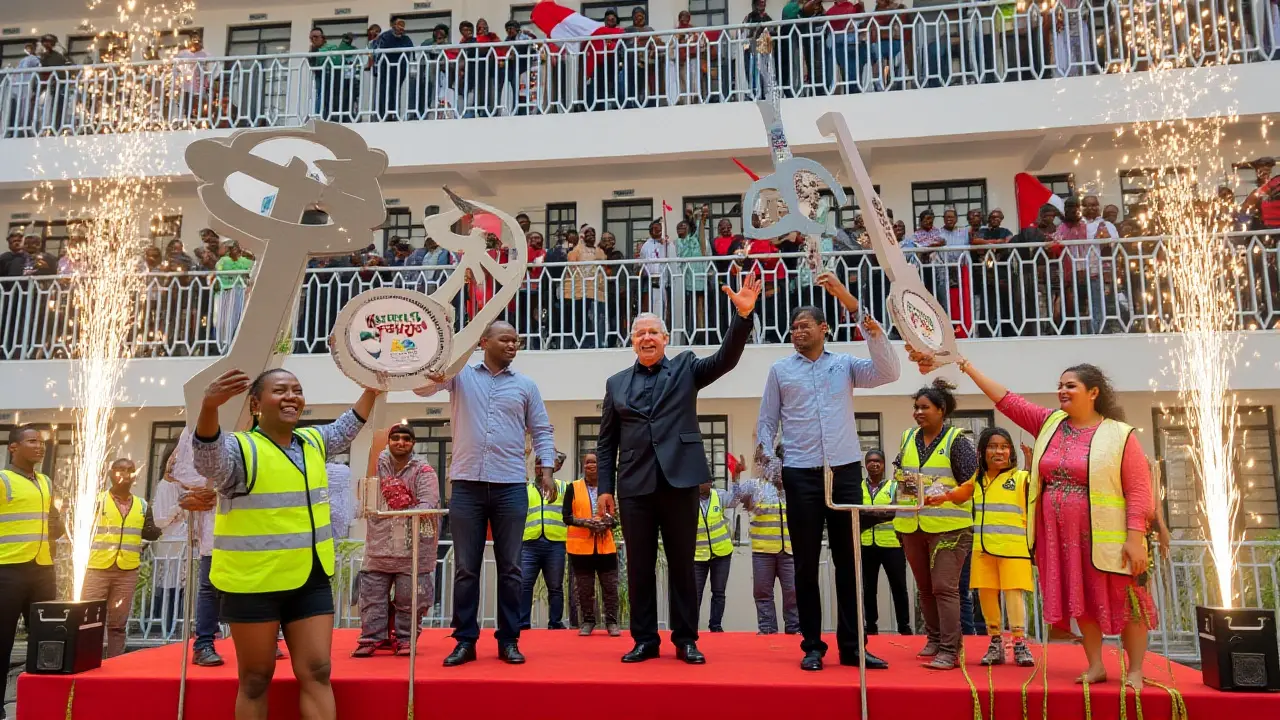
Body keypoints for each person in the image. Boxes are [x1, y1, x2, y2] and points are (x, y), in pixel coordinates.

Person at [912, 349, 1156, 686]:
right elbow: (1007, 401)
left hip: (1109, 538)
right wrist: (965, 366)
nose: (1062, 391)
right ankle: (1096, 664)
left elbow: (1140, 489)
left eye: (1070, 386)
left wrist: (1134, 536)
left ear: (1093, 392)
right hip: (1062, 538)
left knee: (1126, 601)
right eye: (1060, 386)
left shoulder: (1119, 434)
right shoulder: (1051, 423)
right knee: (1081, 600)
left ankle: (1136, 670)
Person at [193, 367, 382, 720]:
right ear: (255, 404)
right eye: (280, 390)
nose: (291, 396)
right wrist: (209, 408)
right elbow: (208, 460)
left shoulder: (312, 442)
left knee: (318, 671)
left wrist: (372, 389)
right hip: (253, 582)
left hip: (309, 578)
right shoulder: (239, 447)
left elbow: (346, 428)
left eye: (297, 390)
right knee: (255, 678)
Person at [596, 274, 761, 664]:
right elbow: (606, 442)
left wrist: (742, 316)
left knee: (683, 565)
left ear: (665, 339)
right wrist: (605, 487)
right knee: (638, 567)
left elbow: (726, 359)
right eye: (640, 333)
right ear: (632, 341)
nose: (647, 338)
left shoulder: (686, 368)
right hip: (634, 485)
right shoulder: (616, 384)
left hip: (680, 480)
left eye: (654, 332)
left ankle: (686, 639)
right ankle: (645, 640)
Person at [756, 272, 899, 672]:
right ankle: (812, 646)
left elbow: (889, 372)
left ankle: (854, 647)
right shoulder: (781, 370)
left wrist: (854, 306)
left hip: (846, 471)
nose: (796, 331)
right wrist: (771, 464)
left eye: (804, 325)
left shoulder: (847, 366)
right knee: (804, 563)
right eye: (793, 327)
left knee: (848, 561)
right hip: (800, 474)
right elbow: (767, 422)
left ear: (824, 328)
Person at [415, 321, 556, 666]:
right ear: (484, 342)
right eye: (506, 339)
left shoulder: (526, 385)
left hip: (511, 487)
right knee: (466, 568)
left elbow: (541, 429)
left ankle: (509, 640)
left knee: (511, 569)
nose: (513, 345)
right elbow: (424, 389)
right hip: (466, 487)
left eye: (517, 340)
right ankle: (465, 640)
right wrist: (442, 357)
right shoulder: (460, 377)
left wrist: (547, 470)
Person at [927, 427, 1035, 667]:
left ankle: (1019, 643)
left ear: (1011, 451)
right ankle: (995, 641)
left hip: (1013, 549)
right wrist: (941, 497)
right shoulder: (977, 479)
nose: (999, 451)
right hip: (983, 549)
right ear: (983, 451)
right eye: (993, 446)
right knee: (986, 594)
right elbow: (961, 492)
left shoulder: (1020, 478)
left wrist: (1032, 464)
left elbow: (1036, 489)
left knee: (1014, 595)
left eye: (1004, 446)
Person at [893, 378, 978, 670]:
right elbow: (900, 473)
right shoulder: (907, 437)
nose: (918, 412)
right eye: (915, 407)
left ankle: (950, 649)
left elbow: (970, 485)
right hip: (911, 524)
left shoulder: (958, 440)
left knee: (944, 587)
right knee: (925, 588)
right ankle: (934, 638)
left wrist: (946, 496)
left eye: (924, 407)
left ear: (941, 410)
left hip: (950, 526)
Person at [352, 424, 441, 657]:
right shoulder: (376, 466)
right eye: (395, 438)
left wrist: (402, 505)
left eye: (406, 439)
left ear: (413, 443)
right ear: (389, 441)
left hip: (413, 547)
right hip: (378, 545)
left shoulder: (424, 471)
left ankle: (405, 639)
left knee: (410, 598)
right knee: (371, 595)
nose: (400, 442)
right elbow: (365, 496)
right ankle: (371, 638)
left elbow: (428, 503)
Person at [1, 427, 63, 714]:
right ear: (13, 447)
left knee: (47, 639)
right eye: (32, 441)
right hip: (8, 571)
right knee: (3, 639)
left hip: (42, 571)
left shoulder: (46, 482)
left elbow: (55, 522)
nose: (40, 446)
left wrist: (57, 524)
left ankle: (43, 702)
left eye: (42, 442)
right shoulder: (3, 481)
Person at [82, 458, 162, 657]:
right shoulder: (96, 501)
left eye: (130, 469)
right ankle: (87, 659)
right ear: (111, 473)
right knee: (89, 618)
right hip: (96, 568)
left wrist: (161, 527)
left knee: (118, 623)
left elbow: (148, 532)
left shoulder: (142, 505)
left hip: (126, 570)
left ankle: (115, 662)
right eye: (120, 469)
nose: (125, 474)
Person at [729, 444, 799, 636]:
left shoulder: (794, 489)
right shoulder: (755, 486)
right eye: (767, 462)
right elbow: (733, 501)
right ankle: (767, 631)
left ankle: (794, 630)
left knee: (793, 593)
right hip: (762, 552)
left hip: (790, 551)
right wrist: (736, 477)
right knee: (762, 594)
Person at [563, 452, 621, 636]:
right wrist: (586, 523)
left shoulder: (609, 489)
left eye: (594, 462)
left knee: (610, 587)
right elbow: (566, 516)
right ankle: (588, 621)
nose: (591, 465)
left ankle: (612, 623)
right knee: (584, 588)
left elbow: (616, 517)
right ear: (582, 466)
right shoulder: (573, 487)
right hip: (580, 549)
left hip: (606, 547)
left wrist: (606, 523)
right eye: (587, 462)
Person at [861, 449, 912, 636]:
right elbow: (857, 513)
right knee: (868, 588)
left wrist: (870, 514)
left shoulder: (894, 486)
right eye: (870, 461)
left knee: (899, 587)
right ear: (865, 464)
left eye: (878, 461)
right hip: (866, 545)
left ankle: (904, 627)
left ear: (883, 464)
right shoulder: (859, 487)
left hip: (893, 545)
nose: (874, 464)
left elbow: (897, 509)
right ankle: (871, 627)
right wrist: (883, 512)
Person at [520, 451, 568, 631]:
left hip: (555, 543)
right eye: (538, 464)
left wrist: (550, 452)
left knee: (555, 586)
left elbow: (562, 457)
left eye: (544, 464)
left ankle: (555, 623)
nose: (540, 468)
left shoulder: (563, 487)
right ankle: (522, 622)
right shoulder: (526, 489)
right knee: (524, 584)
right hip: (529, 543)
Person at [692, 481, 733, 633]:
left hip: (721, 552)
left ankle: (715, 626)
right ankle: (692, 627)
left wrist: (735, 477)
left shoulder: (719, 495)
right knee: (695, 594)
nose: (707, 484)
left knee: (719, 592)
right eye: (703, 481)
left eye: (709, 480)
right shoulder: (688, 499)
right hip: (698, 555)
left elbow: (734, 500)